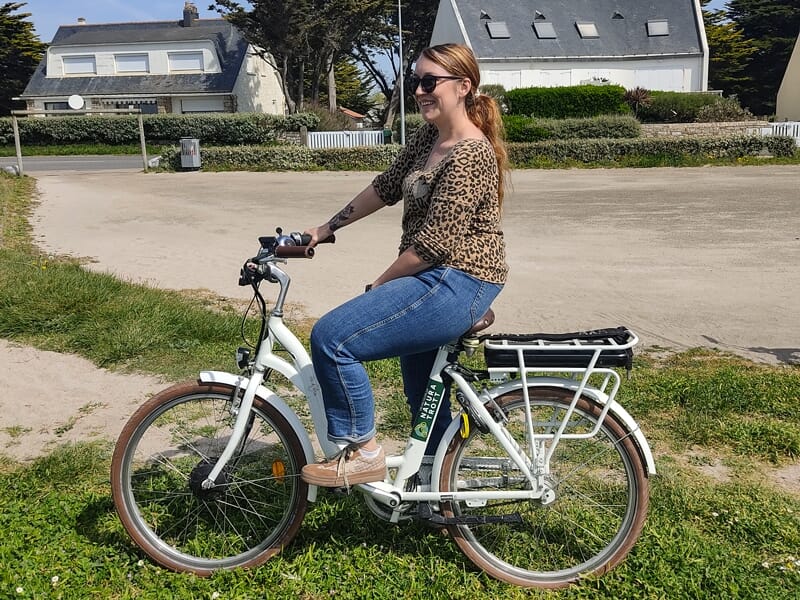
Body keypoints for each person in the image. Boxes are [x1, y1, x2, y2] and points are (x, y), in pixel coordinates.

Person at [300, 43, 509, 488]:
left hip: (457, 279)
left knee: (334, 338)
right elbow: (385, 187)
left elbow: (434, 245)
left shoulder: (471, 154)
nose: (418, 90)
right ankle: (435, 487)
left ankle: (362, 451)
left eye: (429, 81)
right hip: (436, 278)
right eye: (415, 81)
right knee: (422, 396)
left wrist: (378, 285)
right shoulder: (429, 138)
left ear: (463, 86)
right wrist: (325, 228)